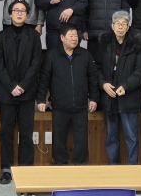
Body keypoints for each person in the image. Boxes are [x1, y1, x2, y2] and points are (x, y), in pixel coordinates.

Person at [0, 0, 43, 184]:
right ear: (10, 14)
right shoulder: (1, 36)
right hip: (7, 92)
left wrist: (22, 85)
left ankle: (25, 170)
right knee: (6, 132)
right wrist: (11, 86)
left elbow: (36, 63)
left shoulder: (34, 36)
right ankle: (6, 169)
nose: (19, 13)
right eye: (16, 10)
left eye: (23, 11)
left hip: (27, 92)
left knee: (26, 132)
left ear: (27, 14)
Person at [37, 23, 99, 165]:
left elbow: (93, 78)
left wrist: (94, 98)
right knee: (58, 139)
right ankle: (60, 165)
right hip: (59, 106)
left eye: (76, 35)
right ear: (62, 37)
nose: (74, 38)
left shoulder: (85, 55)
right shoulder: (52, 55)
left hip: (80, 106)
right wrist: (41, 99)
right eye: (71, 36)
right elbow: (44, 78)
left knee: (81, 140)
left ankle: (80, 166)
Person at [94, 11, 141, 165]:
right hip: (109, 98)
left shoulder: (137, 44)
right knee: (111, 138)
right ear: (112, 26)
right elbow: (96, 68)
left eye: (124, 23)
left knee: (131, 138)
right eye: (118, 23)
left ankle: (131, 171)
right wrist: (103, 83)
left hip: (129, 98)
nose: (121, 26)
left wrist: (126, 86)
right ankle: (113, 170)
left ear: (128, 27)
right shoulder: (104, 43)